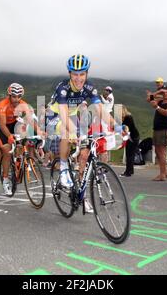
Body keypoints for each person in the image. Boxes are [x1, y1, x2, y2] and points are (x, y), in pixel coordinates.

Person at [52, 54, 121, 213]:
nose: (78, 78)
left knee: (85, 151)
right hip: (55, 115)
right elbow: (63, 114)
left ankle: (81, 194)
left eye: (82, 74)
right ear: (69, 74)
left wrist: (116, 126)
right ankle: (63, 167)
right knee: (66, 131)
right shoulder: (63, 87)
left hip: (72, 116)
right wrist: (74, 132)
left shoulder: (90, 87)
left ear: (87, 74)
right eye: (75, 74)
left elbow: (99, 109)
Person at [0, 83, 43, 195]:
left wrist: (40, 132)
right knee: (6, 150)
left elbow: (30, 120)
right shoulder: (3, 105)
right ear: (9, 95)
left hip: (14, 123)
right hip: (1, 125)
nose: (16, 99)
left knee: (22, 139)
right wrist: (9, 136)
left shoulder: (23, 104)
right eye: (14, 96)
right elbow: (2, 126)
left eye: (19, 96)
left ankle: (18, 161)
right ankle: (5, 180)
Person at [149, 86, 167, 181]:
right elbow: (150, 98)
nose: (165, 94)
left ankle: (162, 174)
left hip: (163, 129)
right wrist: (159, 91)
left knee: (161, 152)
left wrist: (157, 107)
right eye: (164, 93)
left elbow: (166, 113)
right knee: (157, 151)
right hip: (157, 128)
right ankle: (165, 172)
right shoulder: (160, 101)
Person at [120, 105, 140, 177]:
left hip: (132, 137)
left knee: (129, 155)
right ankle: (130, 170)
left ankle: (128, 172)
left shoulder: (127, 118)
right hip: (134, 136)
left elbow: (126, 129)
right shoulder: (128, 117)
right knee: (130, 154)